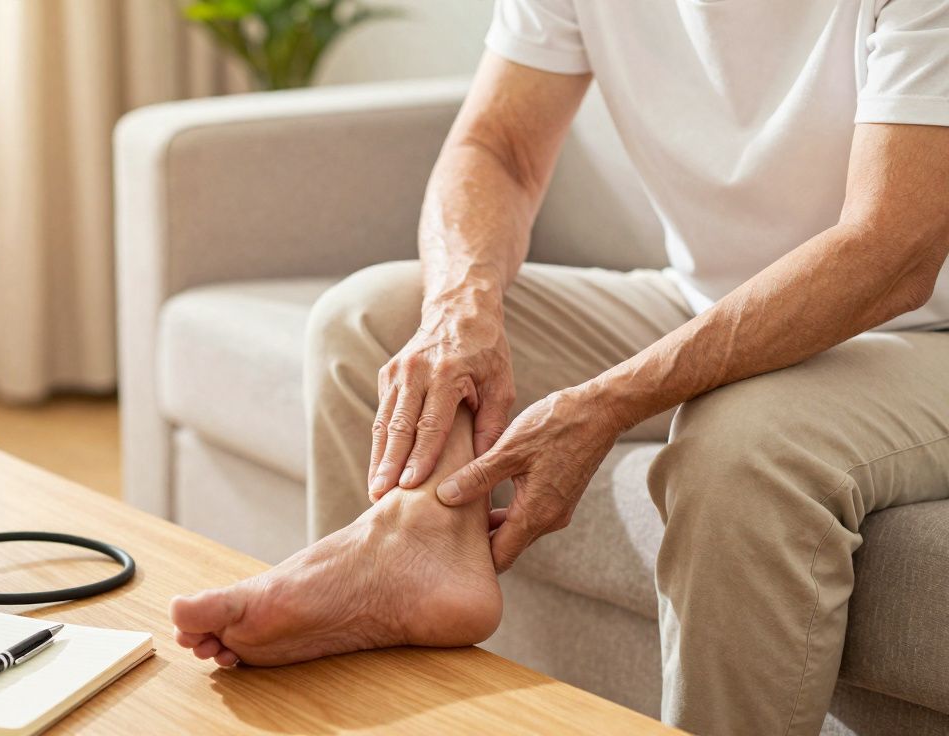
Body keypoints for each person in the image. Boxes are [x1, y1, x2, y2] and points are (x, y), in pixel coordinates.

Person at [170, 1, 949, 733]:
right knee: (375, 322)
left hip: (926, 330)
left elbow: (891, 248)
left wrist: (606, 401)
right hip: (711, 295)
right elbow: (497, 147)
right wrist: (459, 310)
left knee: (740, 448)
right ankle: (397, 575)